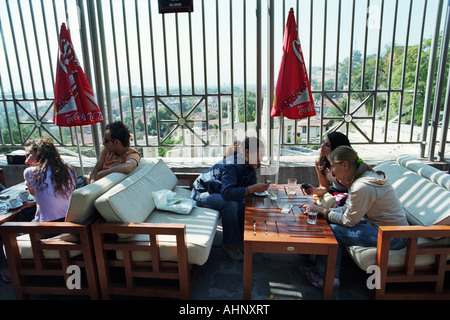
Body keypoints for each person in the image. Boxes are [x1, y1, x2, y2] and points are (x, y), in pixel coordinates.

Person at [301, 146, 408, 290]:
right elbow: (347, 210)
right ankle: (319, 267)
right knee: (328, 221)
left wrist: (323, 211)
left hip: (393, 236)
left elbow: (348, 221)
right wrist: (323, 211)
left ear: (345, 165)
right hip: (378, 227)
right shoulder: (361, 178)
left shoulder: (362, 186)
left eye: (333, 166)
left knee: (334, 231)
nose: (331, 171)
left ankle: (327, 278)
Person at [1, 137, 78, 282]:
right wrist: (35, 202)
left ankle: (14, 271)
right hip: (68, 224)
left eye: (29, 155)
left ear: (40, 153)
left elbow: (33, 192)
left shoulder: (31, 173)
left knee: (12, 232)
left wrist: (36, 200)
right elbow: (54, 196)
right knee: (28, 216)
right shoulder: (70, 170)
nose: (26, 160)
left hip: (46, 229)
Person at [192, 137, 269, 260]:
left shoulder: (250, 164)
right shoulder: (232, 164)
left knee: (245, 203)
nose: (260, 159)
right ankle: (229, 244)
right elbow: (227, 193)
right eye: (258, 155)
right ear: (247, 152)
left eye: (262, 155)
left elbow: (248, 186)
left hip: (216, 191)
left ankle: (244, 239)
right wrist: (251, 189)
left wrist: (255, 189)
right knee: (230, 203)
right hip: (202, 193)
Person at [303, 132, 351, 199]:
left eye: (327, 145)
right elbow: (324, 187)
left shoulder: (346, 164)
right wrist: (314, 190)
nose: (322, 146)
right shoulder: (320, 162)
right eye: (323, 142)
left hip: (350, 194)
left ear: (336, 149)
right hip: (334, 192)